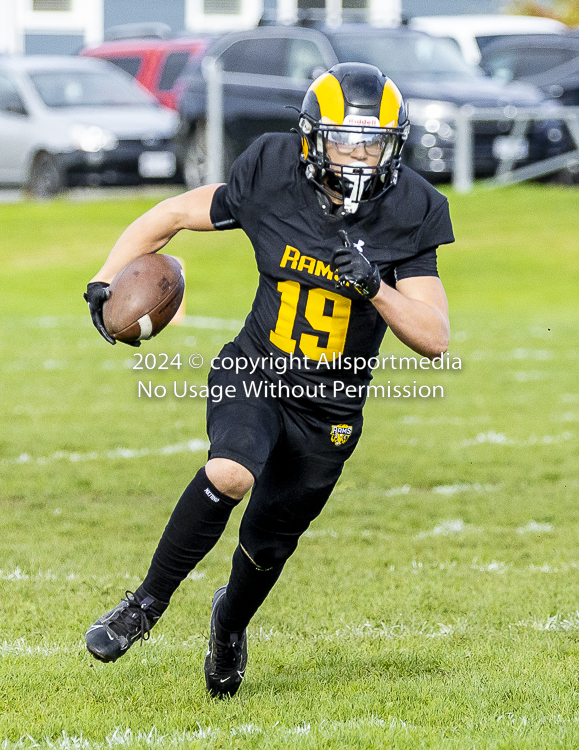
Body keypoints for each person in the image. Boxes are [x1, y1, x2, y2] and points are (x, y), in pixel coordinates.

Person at [83, 62, 454, 698]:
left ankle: (228, 626)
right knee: (231, 470)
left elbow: (435, 337)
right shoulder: (272, 172)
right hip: (255, 367)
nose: (359, 157)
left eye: (373, 142)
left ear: (396, 144)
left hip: (332, 407)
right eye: (344, 140)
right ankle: (145, 604)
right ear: (312, 141)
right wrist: (103, 278)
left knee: (266, 547)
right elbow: (172, 213)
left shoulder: (412, 208)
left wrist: (377, 289)